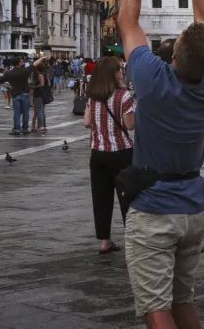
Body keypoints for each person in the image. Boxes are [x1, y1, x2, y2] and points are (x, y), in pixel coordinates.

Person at [118, 0, 204, 327]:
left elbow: (128, 23)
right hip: (193, 206)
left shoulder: (152, 80)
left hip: (154, 207)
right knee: (184, 299)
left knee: (156, 304)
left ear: (175, 54)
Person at [83, 55, 135, 255]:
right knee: (127, 197)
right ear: (113, 74)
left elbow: (87, 123)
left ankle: (104, 241)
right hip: (121, 152)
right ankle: (132, 238)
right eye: (119, 70)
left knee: (101, 197)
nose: (122, 72)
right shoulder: (123, 96)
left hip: (97, 153)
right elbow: (129, 125)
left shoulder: (93, 96)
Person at [1, 56, 46, 136]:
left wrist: (8, 86)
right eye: (21, 61)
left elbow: (0, 80)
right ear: (19, 63)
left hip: (15, 94)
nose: (23, 62)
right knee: (26, 112)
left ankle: (17, 129)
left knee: (16, 113)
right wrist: (41, 58)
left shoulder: (9, 73)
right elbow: (34, 64)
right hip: (25, 94)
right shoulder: (25, 71)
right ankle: (25, 129)